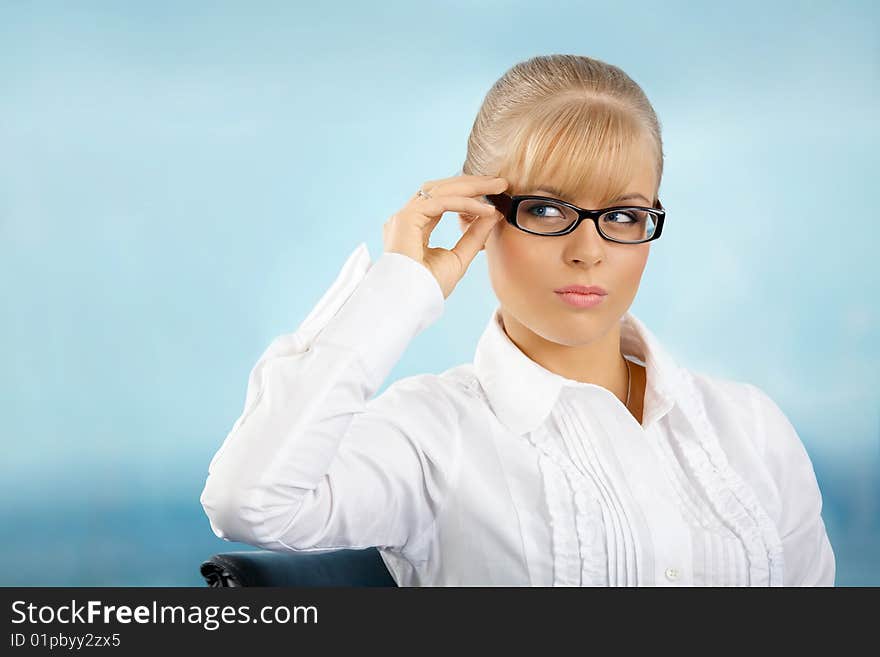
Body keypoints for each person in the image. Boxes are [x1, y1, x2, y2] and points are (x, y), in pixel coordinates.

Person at [200, 54, 835, 586]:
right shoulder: (432, 435)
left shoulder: (748, 428)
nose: (588, 251)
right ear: (479, 213)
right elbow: (248, 502)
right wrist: (399, 288)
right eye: (547, 208)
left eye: (622, 215)